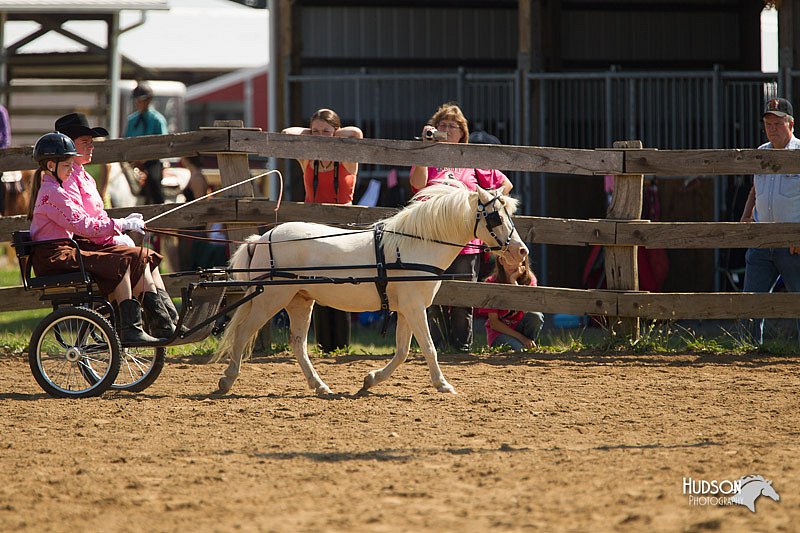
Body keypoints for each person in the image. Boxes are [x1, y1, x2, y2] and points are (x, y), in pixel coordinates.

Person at [49, 113, 178, 340]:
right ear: (68, 146)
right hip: (84, 242)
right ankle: (138, 325)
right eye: (85, 142)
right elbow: (81, 223)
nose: (91, 147)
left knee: (147, 257)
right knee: (133, 257)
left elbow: (95, 215)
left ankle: (167, 320)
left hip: (94, 237)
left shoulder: (84, 176)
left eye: (91, 142)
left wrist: (118, 228)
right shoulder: (67, 180)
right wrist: (119, 228)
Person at [409, 103, 513, 353]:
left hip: (465, 242)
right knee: (428, 296)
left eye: (451, 126)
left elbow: (505, 185)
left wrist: (484, 203)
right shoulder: (428, 157)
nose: (445, 129)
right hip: (431, 238)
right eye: (441, 125)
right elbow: (416, 184)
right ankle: (434, 347)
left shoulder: (471, 160)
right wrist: (424, 149)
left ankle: (461, 349)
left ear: (462, 133)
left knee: (462, 298)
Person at [282, 108, 363, 352]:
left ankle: (341, 344)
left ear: (336, 132)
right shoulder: (308, 158)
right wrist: (313, 133)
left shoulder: (347, 157)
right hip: (313, 228)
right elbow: (287, 132)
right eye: (314, 131)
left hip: (342, 227)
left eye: (325, 131)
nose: (319, 136)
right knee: (316, 282)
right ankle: (322, 343)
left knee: (341, 282)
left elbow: (356, 132)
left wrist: (331, 135)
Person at [739, 97, 800, 344]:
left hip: (792, 244)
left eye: (778, 123)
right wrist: (745, 216)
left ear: (791, 124)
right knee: (751, 302)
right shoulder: (761, 154)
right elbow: (755, 190)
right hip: (762, 242)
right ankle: (748, 349)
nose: (772, 128)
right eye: (768, 123)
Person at [479, 254, 544, 351]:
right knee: (520, 351)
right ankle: (525, 345)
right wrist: (522, 339)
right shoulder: (491, 282)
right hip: (499, 332)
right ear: (501, 260)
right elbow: (494, 323)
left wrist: (513, 281)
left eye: (514, 260)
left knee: (535, 316)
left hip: (521, 327)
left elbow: (527, 309)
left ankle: (529, 345)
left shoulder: (529, 279)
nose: (510, 264)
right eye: (507, 260)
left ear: (522, 261)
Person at [125, 82, 168, 205]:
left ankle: (159, 207)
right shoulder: (132, 120)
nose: (138, 103)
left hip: (152, 161)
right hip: (132, 160)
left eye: (141, 100)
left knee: (154, 181)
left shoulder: (157, 120)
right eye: (136, 100)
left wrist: (145, 158)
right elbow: (126, 140)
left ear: (149, 100)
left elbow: (162, 144)